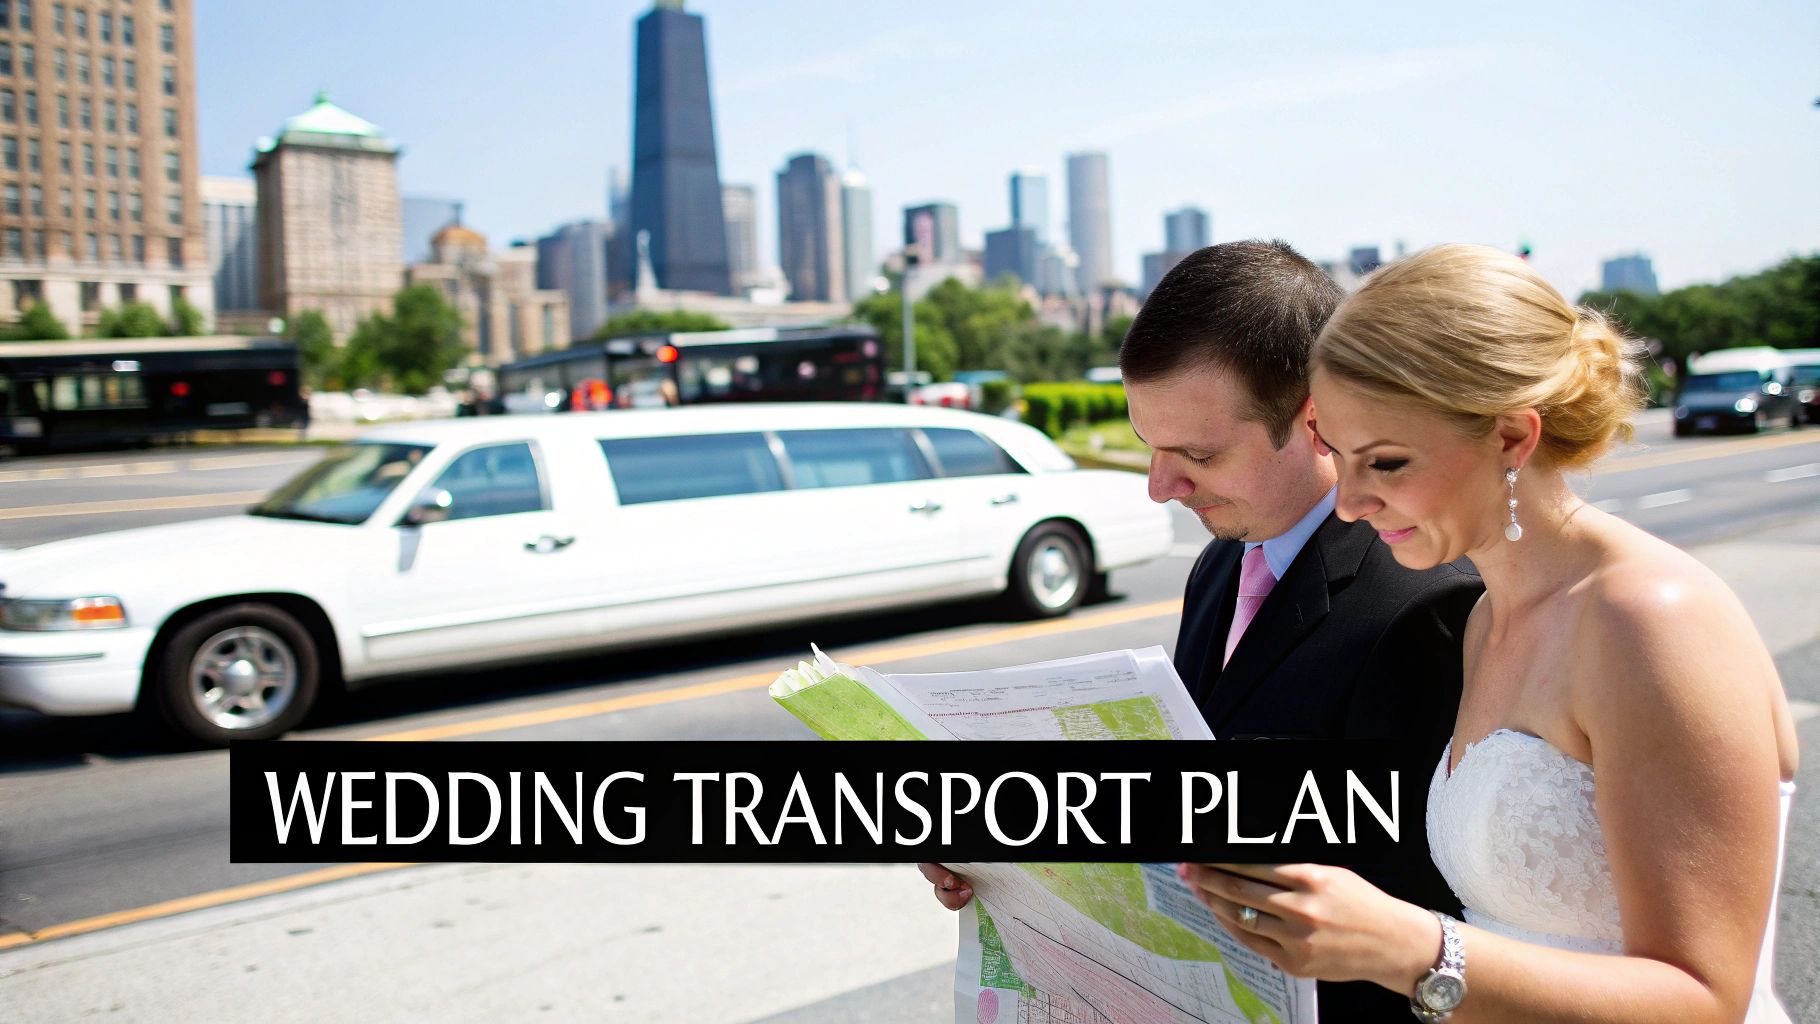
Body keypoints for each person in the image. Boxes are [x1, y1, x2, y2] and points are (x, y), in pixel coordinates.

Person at [1181, 243, 1798, 1022]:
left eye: (1389, 462)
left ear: (1512, 437)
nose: (1349, 502)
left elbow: (1707, 998)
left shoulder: (1650, 619)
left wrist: (1411, 949)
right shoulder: (1481, 623)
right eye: (1341, 457)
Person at [922, 240, 1484, 1021]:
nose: (1160, 487)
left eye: (1198, 454)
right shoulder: (1220, 565)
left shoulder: (1424, 605)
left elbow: (1419, 907)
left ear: (1315, 420)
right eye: (1149, 447)